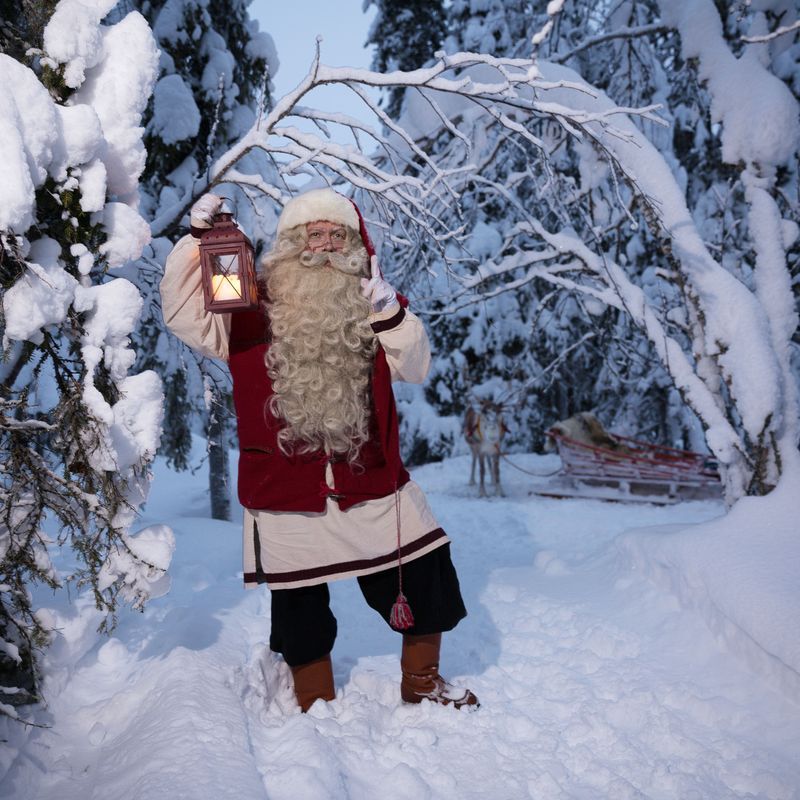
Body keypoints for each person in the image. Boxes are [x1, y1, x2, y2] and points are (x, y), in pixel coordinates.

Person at [160, 187, 478, 712]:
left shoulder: (373, 307)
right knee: (300, 605)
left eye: (337, 235)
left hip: (370, 480)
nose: (325, 246)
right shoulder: (247, 309)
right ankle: (314, 698)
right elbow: (183, 316)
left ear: (356, 246)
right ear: (290, 244)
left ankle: (421, 681)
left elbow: (416, 366)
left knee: (424, 569)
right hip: (285, 488)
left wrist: (389, 315)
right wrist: (199, 243)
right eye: (314, 235)